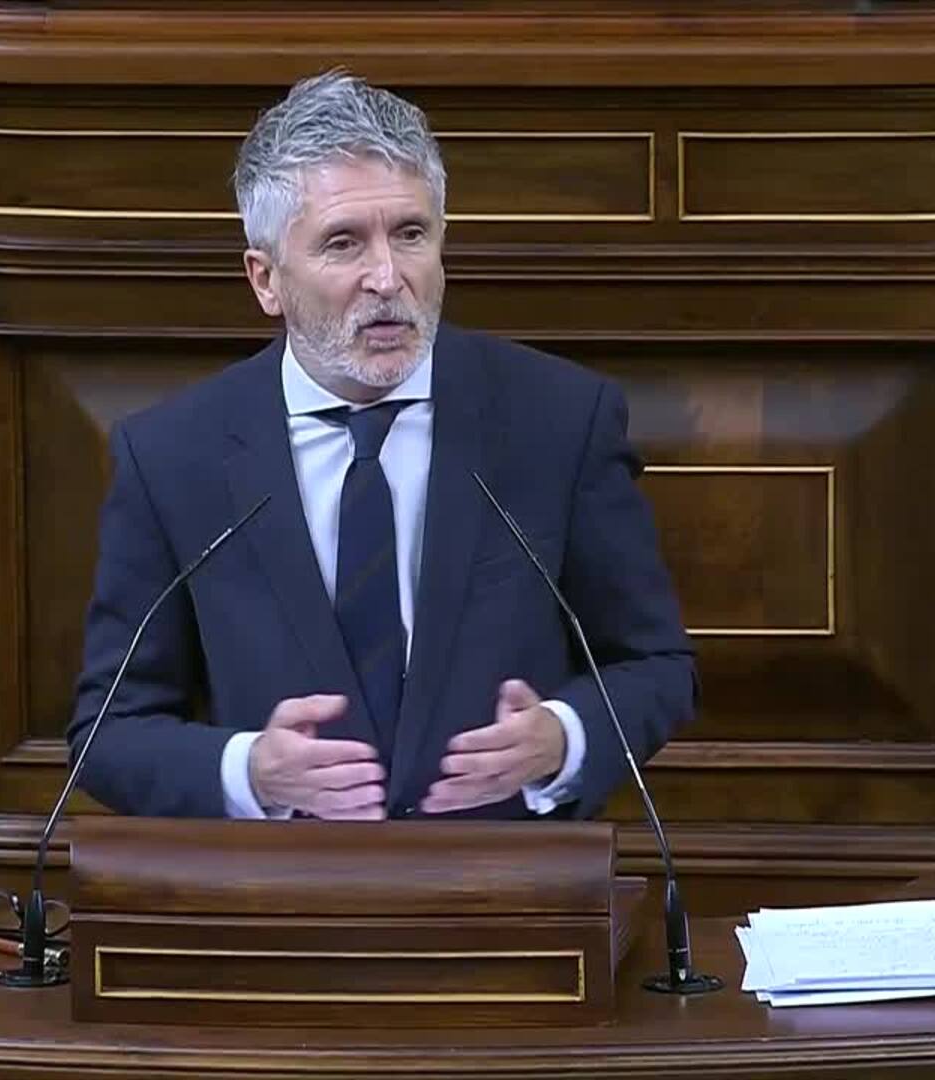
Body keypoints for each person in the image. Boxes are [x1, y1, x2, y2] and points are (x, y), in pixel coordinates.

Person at [68, 70, 696, 821]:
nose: (388, 278)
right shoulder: (174, 455)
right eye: (344, 243)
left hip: (502, 882)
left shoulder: (559, 421)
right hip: (283, 886)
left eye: (411, 234)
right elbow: (109, 733)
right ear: (266, 280)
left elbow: (657, 667)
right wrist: (252, 773)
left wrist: (562, 738)